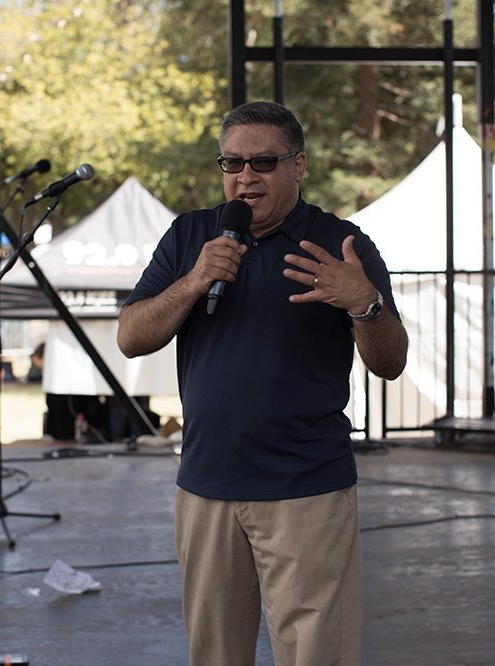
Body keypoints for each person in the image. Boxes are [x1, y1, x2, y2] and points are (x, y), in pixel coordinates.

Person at [117, 101, 408, 665]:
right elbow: (132, 337)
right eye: (232, 164)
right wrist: (197, 279)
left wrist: (364, 304)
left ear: (298, 166)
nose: (245, 176)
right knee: (215, 654)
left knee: (315, 654)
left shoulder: (342, 244)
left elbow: (390, 362)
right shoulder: (192, 236)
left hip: (307, 491)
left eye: (263, 162)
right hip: (206, 486)